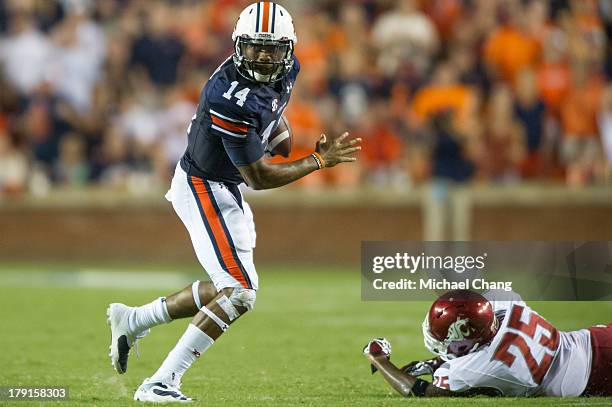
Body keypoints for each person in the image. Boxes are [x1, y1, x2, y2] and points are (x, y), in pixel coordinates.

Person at [106, 2, 361, 403]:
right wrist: (315, 161)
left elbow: (270, 110)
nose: (262, 56)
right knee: (239, 290)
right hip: (204, 184)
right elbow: (257, 177)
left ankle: (135, 319)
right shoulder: (230, 98)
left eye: (272, 48)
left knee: (230, 287)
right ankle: (160, 382)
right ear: (237, 45)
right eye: (255, 46)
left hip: (221, 182)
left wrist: (273, 129)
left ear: (289, 49)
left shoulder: (288, 70)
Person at [364, 289, 611, 397]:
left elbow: (419, 392)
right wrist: (434, 361)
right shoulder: (505, 303)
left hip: (597, 373)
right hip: (594, 339)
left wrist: (380, 359)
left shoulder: (474, 368)